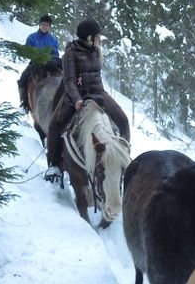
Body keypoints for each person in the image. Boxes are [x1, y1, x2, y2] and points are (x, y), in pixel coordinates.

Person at [44, 18, 130, 183]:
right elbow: (69, 80)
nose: (99, 39)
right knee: (55, 125)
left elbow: (96, 75)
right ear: (89, 37)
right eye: (97, 36)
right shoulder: (71, 52)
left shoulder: (96, 50)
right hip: (76, 95)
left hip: (98, 92)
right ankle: (54, 164)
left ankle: (121, 157)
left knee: (123, 120)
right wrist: (76, 99)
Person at [17, 14, 60, 110]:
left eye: (47, 25)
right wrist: (36, 57)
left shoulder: (53, 40)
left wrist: (51, 58)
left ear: (50, 27)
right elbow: (28, 51)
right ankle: (24, 102)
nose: (45, 27)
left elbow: (56, 53)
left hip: (50, 63)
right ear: (39, 25)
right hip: (35, 63)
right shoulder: (32, 37)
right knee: (23, 78)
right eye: (43, 25)